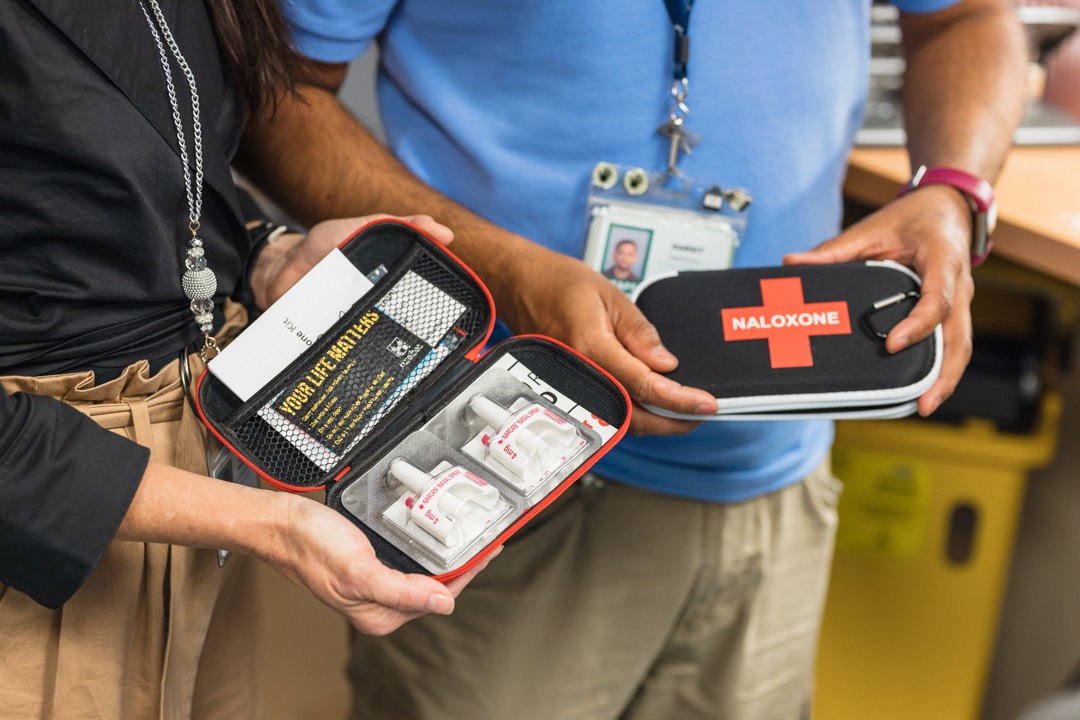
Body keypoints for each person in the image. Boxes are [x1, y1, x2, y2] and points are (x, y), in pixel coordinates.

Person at [241, 1, 1027, 717]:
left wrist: (956, 190)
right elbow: (277, 95)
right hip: (492, 471)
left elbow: (967, 17)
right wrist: (509, 277)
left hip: (780, 468)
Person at [0, 2, 490, 718]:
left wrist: (264, 253)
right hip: (56, 522)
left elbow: (110, 183)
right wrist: (269, 527)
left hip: (199, 507)